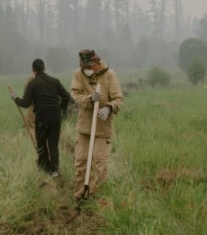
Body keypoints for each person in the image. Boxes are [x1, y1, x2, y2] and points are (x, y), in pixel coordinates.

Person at [70, 49, 124, 200]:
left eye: (88, 67)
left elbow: (118, 98)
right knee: (81, 162)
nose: (86, 70)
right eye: (83, 67)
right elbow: (75, 94)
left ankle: (97, 198)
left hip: (102, 129)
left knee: (99, 163)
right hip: (84, 128)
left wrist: (108, 108)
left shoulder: (110, 75)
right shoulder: (78, 74)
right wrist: (89, 99)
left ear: (96, 62)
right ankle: (80, 196)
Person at [10, 58, 71, 177]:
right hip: (55, 117)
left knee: (42, 143)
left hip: (42, 117)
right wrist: (60, 108)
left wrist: (15, 98)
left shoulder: (32, 84)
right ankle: (54, 170)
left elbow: (26, 103)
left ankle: (45, 167)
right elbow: (67, 97)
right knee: (53, 144)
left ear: (33, 70)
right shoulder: (55, 81)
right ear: (44, 68)